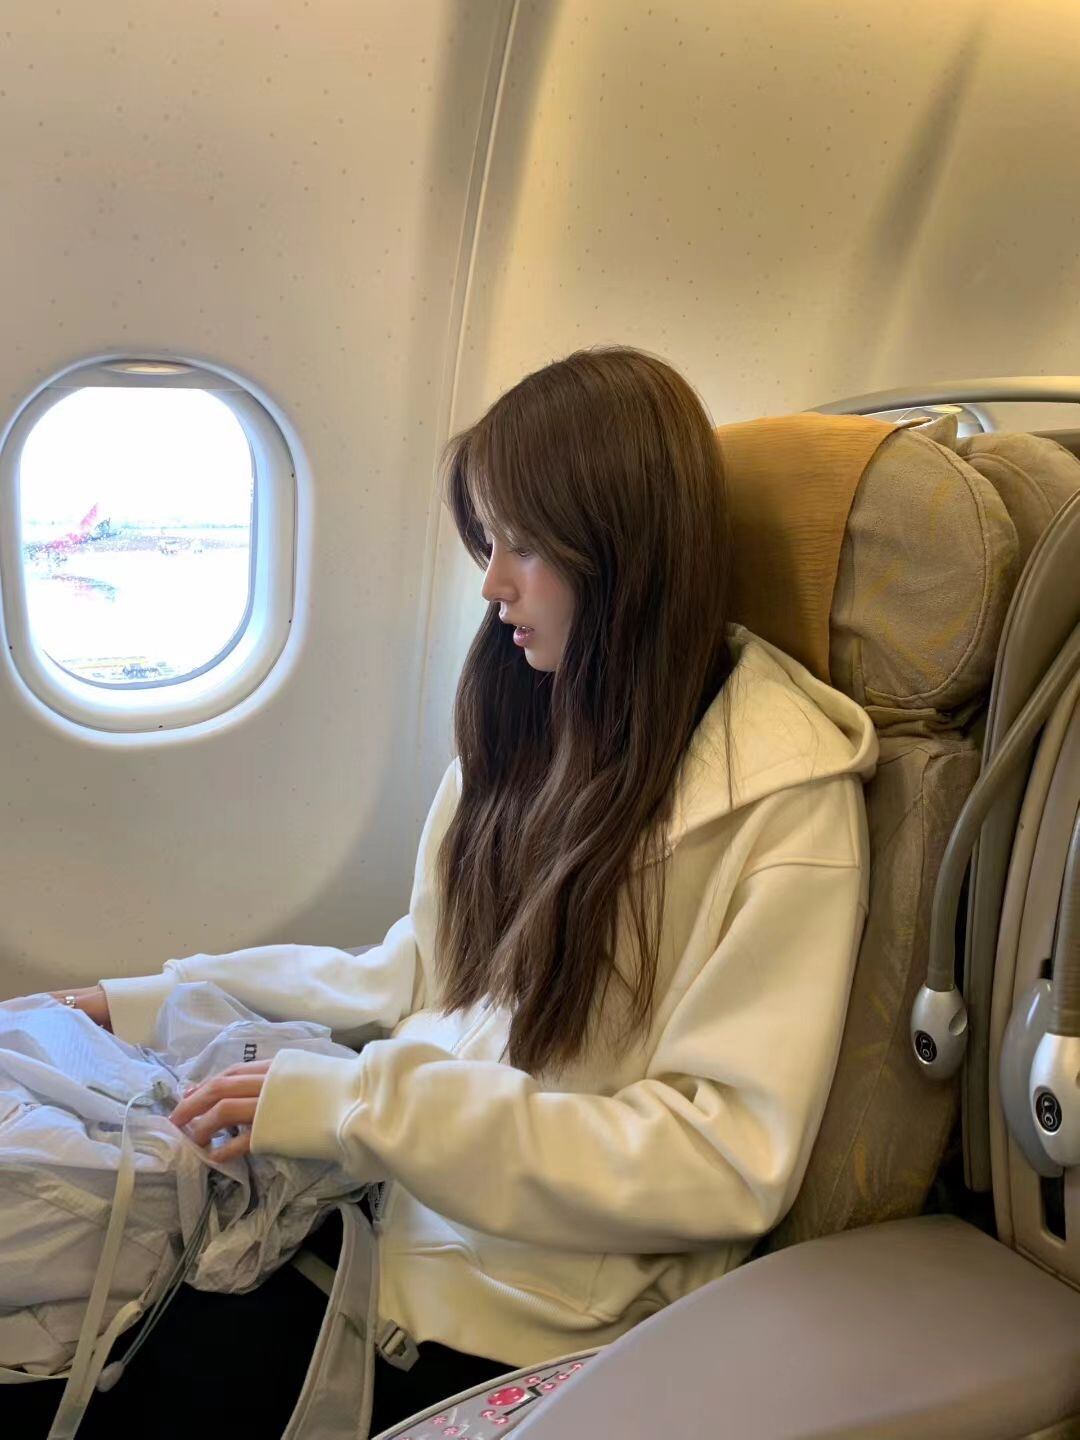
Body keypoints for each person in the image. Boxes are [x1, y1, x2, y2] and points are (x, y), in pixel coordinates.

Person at [33, 346, 876, 1437]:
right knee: (60, 1311)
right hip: (387, 1213)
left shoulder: (781, 807)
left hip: (514, 1316)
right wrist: (148, 1002)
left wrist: (361, 1108)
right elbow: (417, 972)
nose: (492, 584)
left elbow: (718, 1160)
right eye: (489, 542)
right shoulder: (531, 721)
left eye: (524, 545)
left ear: (624, 550)